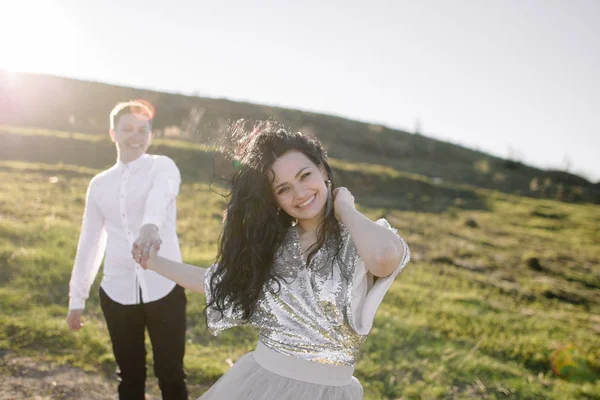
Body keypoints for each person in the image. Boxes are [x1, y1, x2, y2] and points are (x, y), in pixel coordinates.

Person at [133, 120, 410, 400]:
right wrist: (154, 263)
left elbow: (384, 258)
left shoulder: (361, 238)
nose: (300, 194)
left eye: (305, 176)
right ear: (274, 199)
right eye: (283, 189)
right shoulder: (270, 246)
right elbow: (216, 282)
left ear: (323, 170)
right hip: (260, 383)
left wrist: (345, 209)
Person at [67, 100, 188, 400]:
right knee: (130, 378)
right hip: (117, 292)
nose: (136, 136)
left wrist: (150, 227)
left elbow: (160, 197)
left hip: (165, 289)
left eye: (142, 130)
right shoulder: (99, 184)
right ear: (113, 133)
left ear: (150, 133)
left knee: (171, 375)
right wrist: (76, 297)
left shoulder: (163, 166)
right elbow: (90, 242)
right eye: (127, 129)